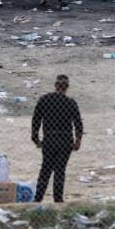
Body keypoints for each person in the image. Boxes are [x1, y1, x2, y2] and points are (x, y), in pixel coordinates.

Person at [31, 75, 83, 204]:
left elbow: (36, 120)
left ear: (55, 86)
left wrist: (36, 139)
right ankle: (58, 199)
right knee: (60, 170)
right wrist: (77, 141)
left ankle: (38, 198)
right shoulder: (70, 103)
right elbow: (78, 124)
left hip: (49, 139)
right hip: (65, 140)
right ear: (67, 87)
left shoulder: (44, 100)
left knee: (46, 169)